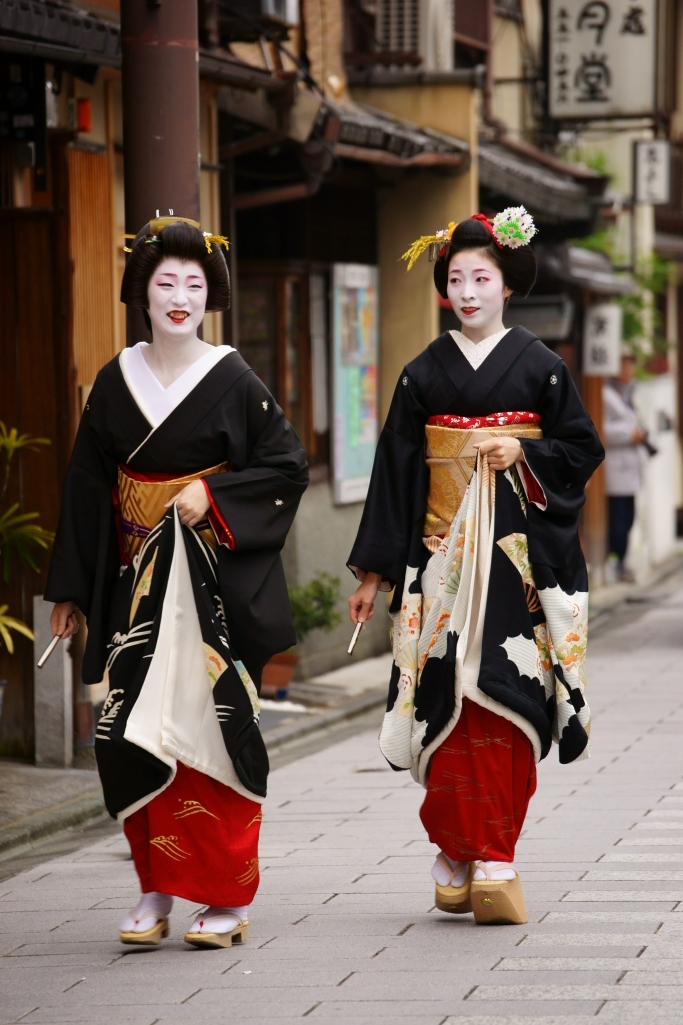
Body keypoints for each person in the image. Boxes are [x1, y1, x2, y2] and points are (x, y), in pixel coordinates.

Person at [45, 217, 308, 948]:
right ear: (143, 292)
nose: (180, 296)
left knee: (210, 732)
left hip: (208, 593)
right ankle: (156, 887)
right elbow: (85, 485)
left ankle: (223, 897)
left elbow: (287, 467)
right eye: (166, 282)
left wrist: (213, 499)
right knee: (129, 732)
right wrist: (70, 588)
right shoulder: (114, 380)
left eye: (194, 283)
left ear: (209, 295)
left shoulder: (233, 378)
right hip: (135, 587)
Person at [347, 209, 604, 925]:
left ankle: (494, 851)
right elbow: (395, 475)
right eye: (455, 277)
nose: (466, 290)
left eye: (480, 277)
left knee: (507, 694)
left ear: (505, 286)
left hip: (513, 564)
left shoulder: (541, 367)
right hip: (437, 563)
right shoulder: (421, 374)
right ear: (443, 288)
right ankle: (455, 848)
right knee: (440, 700)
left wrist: (522, 452)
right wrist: (373, 574)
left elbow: (580, 451)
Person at [603, 350, 645, 583]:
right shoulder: (605, 395)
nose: (630, 372)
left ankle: (621, 562)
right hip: (615, 471)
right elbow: (601, 428)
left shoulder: (626, 395)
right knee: (618, 520)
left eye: (631, 367)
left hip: (629, 470)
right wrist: (630, 433)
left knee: (628, 519)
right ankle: (616, 564)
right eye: (625, 367)